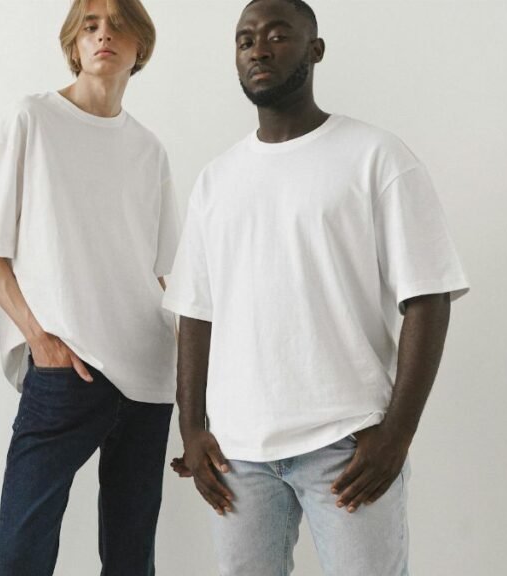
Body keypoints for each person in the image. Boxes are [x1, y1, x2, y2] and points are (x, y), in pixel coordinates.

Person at [164, 0, 470, 573]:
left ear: (315, 49)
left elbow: (427, 296)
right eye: (245, 39)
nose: (259, 48)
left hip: (348, 445)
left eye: (279, 35)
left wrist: (398, 433)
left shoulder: (376, 157)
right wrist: (193, 429)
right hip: (239, 455)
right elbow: (195, 312)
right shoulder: (217, 180)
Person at [0, 0, 180, 573]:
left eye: (117, 25)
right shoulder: (31, 119)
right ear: (73, 45)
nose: (103, 35)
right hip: (66, 367)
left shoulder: (149, 149)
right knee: (20, 551)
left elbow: (161, 274)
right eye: (90, 26)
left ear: (141, 46)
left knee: (132, 553)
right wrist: (38, 338)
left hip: (149, 373)